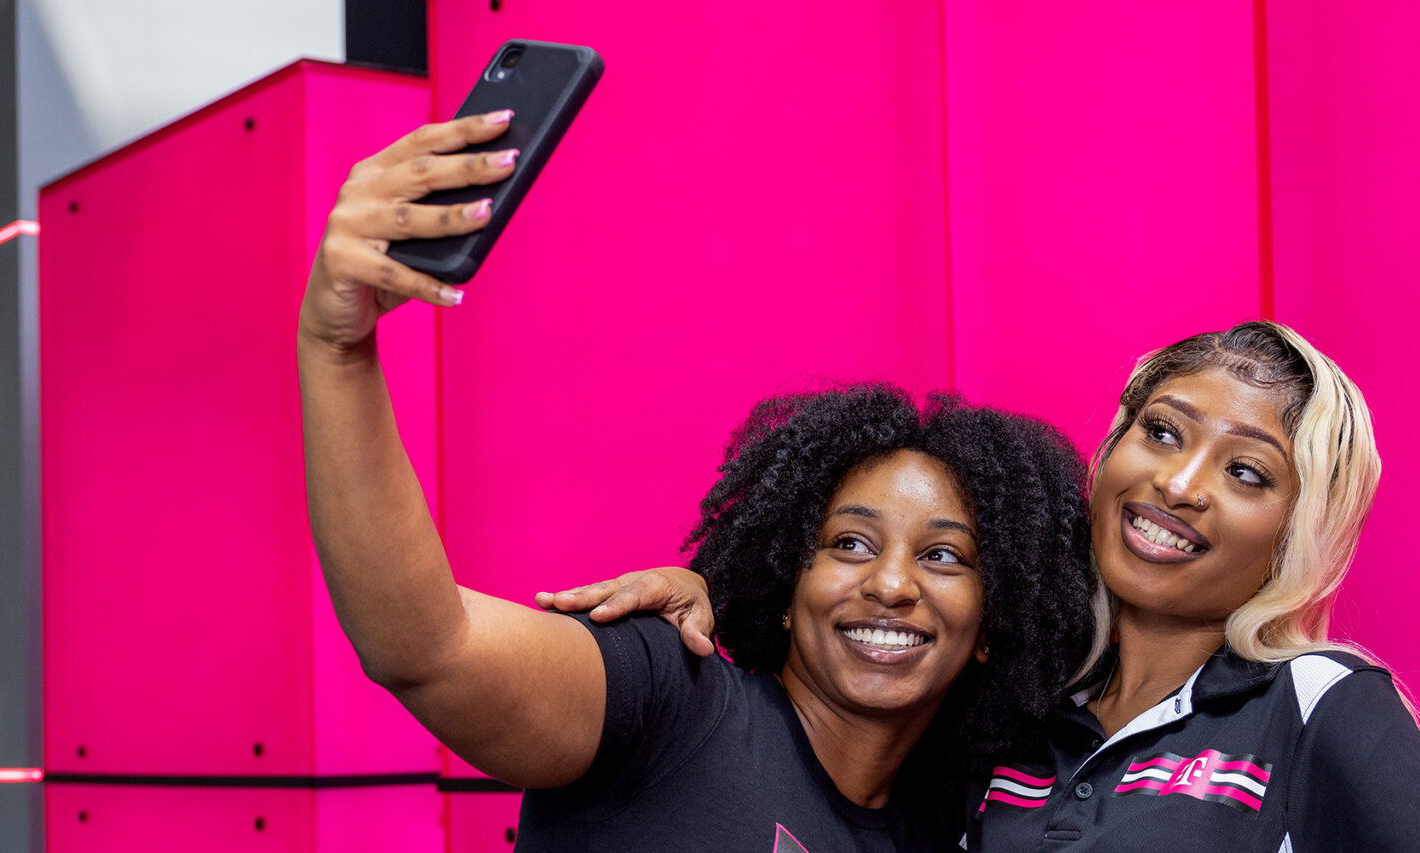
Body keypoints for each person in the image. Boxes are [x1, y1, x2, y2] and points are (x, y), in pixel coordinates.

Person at [298, 114, 1098, 852]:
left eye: (945, 557)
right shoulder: (668, 694)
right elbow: (428, 648)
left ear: (994, 621)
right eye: (849, 543)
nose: (891, 582)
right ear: (788, 583)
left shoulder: (956, 818)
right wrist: (338, 351)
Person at [551, 321, 1420, 852]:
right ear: (1112, 450)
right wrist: (710, 597)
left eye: (1248, 472)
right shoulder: (1007, 701)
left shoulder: (1317, 703)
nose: (1180, 483)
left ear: (1296, 532)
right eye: (1163, 432)